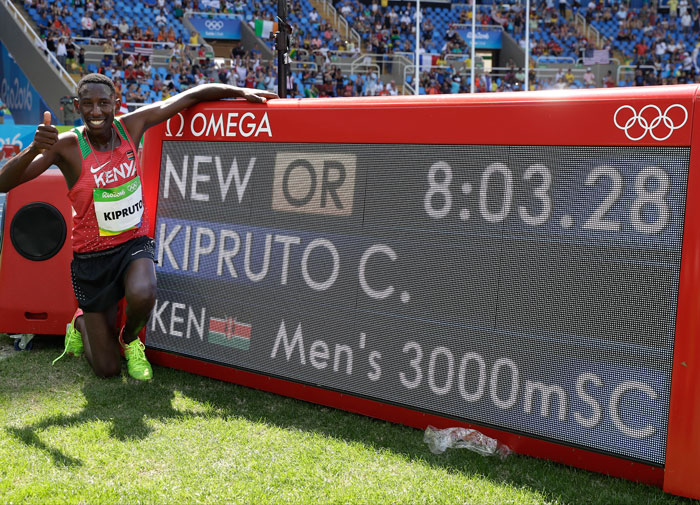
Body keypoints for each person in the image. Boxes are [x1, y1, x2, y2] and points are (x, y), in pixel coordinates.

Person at [0, 74, 277, 381]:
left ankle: (130, 341)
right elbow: (3, 183)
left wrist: (238, 90)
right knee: (106, 370)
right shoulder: (67, 146)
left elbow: (186, 98)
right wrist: (33, 150)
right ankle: (79, 323)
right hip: (92, 259)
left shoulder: (131, 126)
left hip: (134, 243)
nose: (96, 112)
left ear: (116, 104)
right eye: (88, 104)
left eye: (104, 103)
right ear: (77, 106)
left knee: (144, 293)